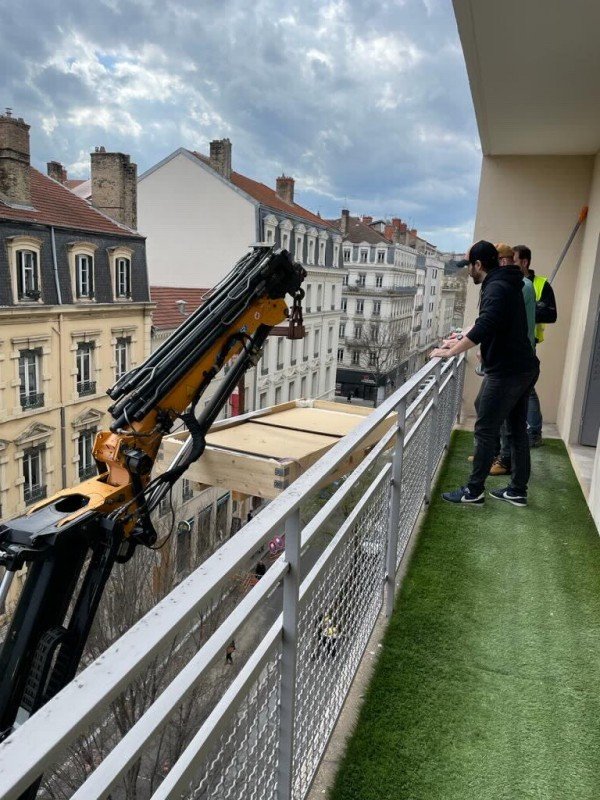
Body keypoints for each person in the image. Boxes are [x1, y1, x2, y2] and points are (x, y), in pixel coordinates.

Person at [431, 240, 539, 507]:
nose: (468, 271)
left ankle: (474, 490)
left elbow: (487, 324)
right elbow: (487, 320)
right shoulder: (508, 283)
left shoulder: (497, 287)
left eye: (469, 265)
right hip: (523, 366)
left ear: (479, 265)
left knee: (485, 429)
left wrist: (451, 351)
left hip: (508, 372)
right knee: (515, 430)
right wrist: (459, 336)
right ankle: (517, 490)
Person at [490, 243, 536, 476]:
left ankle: (504, 461)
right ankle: (501, 459)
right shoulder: (517, 285)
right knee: (512, 422)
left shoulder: (522, 286)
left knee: (512, 422)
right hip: (519, 363)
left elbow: (503, 322)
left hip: (517, 364)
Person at [513, 245, 558, 448]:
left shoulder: (541, 285)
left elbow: (551, 315)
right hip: (510, 343)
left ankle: (534, 432)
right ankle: (526, 431)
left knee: (528, 390)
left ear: (524, 262)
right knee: (522, 390)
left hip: (529, 344)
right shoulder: (511, 282)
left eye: (513, 261)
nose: (509, 265)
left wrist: (530, 310)